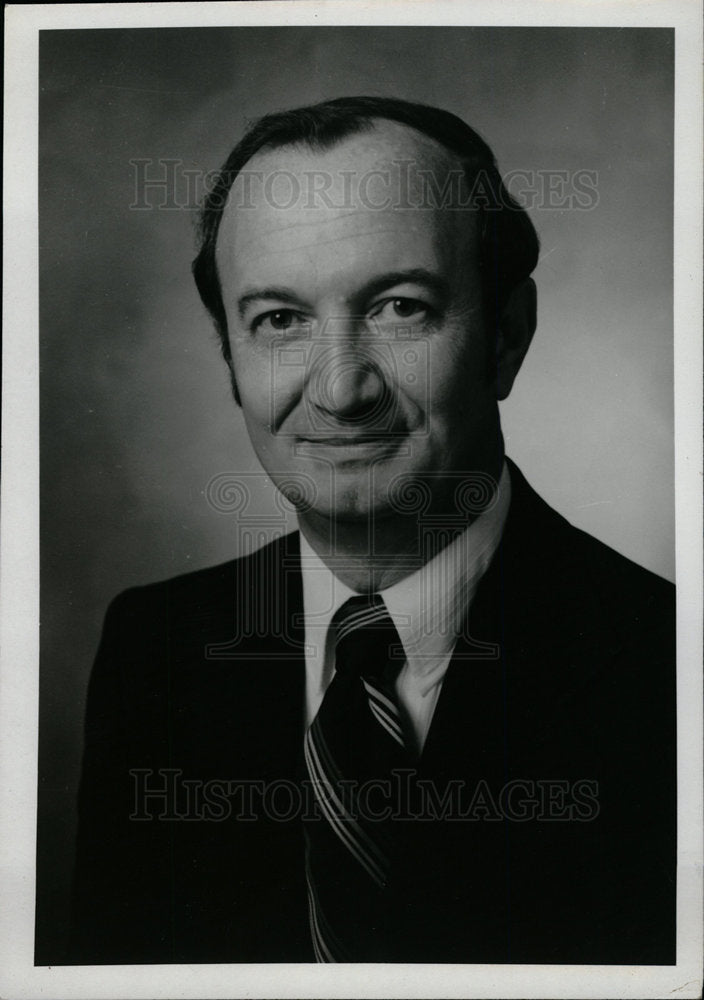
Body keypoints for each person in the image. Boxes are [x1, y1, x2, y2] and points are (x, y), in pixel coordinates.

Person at [69, 96, 675, 965]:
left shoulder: (667, 664)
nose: (341, 389)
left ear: (507, 335)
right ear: (230, 360)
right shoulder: (153, 651)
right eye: (279, 320)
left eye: (400, 307)